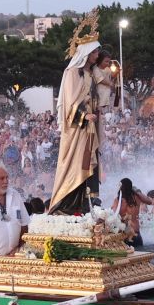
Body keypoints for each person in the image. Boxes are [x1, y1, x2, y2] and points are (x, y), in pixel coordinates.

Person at [50, 26, 114, 214]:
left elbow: (104, 86)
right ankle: (69, 203)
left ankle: (90, 201)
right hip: (78, 127)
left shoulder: (91, 73)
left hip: (90, 127)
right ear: (85, 53)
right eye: (94, 51)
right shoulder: (72, 73)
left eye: (96, 51)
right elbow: (70, 101)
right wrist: (84, 115)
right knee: (77, 163)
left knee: (90, 162)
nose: (97, 55)